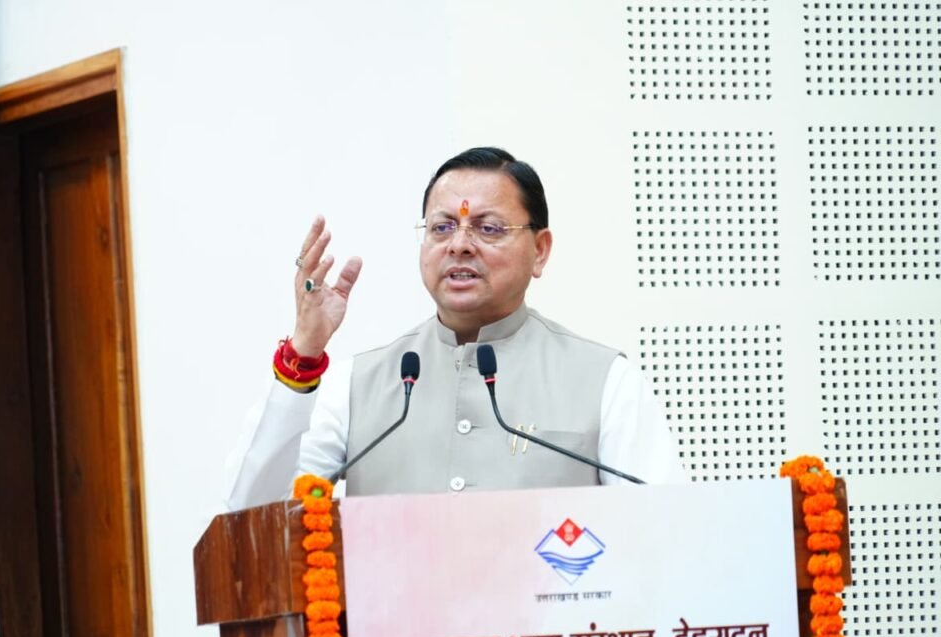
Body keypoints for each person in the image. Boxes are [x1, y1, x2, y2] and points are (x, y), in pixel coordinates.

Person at [224, 147, 687, 510]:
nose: (460, 245)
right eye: (442, 227)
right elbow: (251, 513)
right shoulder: (357, 385)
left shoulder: (605, 381)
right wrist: (304, 351)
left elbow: (666, 532)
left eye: (489, 228)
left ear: (540, 250)